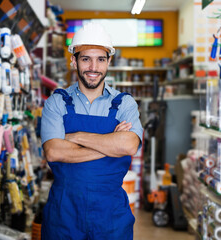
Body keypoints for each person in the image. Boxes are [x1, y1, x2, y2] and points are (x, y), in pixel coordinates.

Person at [40, 22, 143, 240]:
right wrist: (111, 144)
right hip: (64, 212)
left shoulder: (124, 104)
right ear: (73, 60)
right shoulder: (57, 102)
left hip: (110, 213)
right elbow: (54, 152)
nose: (93, 67)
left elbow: (129, 145)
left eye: (101, 59)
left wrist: (74, 137)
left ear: (109, 62)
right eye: (86, 58)